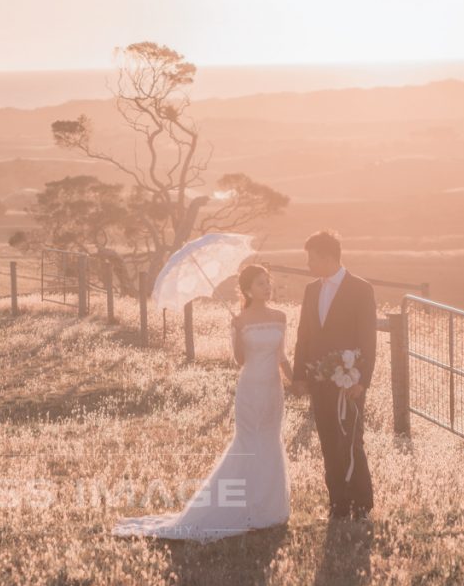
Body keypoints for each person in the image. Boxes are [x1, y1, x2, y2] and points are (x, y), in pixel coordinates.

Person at [111, 264, 291, 542]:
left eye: (268, 282)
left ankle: (269, 508)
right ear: (247, 290)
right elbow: (240, 361)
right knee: (249, 441)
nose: (267, 287)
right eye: (260, 283)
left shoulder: (280, 317)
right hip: (250, 389)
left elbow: (281, 356)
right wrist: (240, 330)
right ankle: (241, 507)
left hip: (272, 390)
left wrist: (298, 382)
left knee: (270, 439)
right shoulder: (239, 321)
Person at [291, 230, 377, 520]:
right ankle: (338, 503)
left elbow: (368, 339)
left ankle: (362, 503)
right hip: (319, 380)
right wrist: (299, 374)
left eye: (312, 259)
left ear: (328, 258)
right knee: (328, 439)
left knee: (352, 439)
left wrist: (362, 380)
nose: (308, 265)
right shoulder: (311, 289)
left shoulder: (361, 289)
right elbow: (304, 334)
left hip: (349, 380)